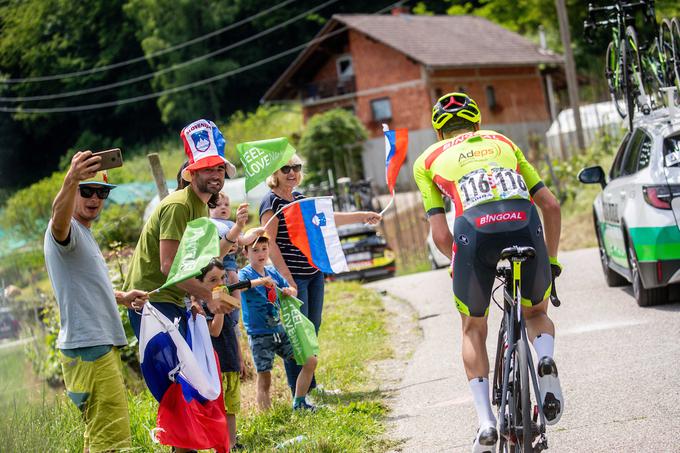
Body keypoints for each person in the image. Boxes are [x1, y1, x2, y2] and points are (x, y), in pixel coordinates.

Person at [413, 92, 564, 452]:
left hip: (474, 232)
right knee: (536, 312)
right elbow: (551, 205)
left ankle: (486, 422)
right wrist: (552, 260)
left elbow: (439, 233)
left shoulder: (427, 159)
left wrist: (459, 262)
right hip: (524, 225)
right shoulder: (504, 142)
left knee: (473, 327)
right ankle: (544, 357)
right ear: (478, 124)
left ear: (439, 133)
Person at [123, 119, 244, 453]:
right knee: (178, 388)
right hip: (152, 303)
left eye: (219, 168)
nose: (215, 175)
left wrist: (200, 295)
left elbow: (198, 264)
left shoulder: (201, 207)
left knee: (187, 387)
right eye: (206, 169)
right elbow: (168, 266)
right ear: (191, 173)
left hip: (173, 300)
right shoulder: (179, 205)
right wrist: (209, 296)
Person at [44, 151, 148, 452]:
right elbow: (57, 220)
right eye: (86, 191)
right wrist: (71, 178)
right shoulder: (65, 231)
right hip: (91, 348)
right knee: (113, 438)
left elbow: (83, 288)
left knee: (97, 436)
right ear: (72, 192)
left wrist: (121, 298)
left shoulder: (84, 233)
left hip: (90, 347)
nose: (95, 198)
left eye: (101, 192)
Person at [259, 154, 381, 394]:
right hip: (293, 278)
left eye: (296, 167)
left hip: (313, 274)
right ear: (275, 173)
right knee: (298, 334)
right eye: (286, 168)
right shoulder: (271, 202)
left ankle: (310, 389)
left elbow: (325, 220)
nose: (292, 172)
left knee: (312, 330)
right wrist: (288, 278)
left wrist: (361, 216)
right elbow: (268, 242)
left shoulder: (299, 198)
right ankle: (299, 393)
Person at [194, 258, 274, 451]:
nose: (220, 284)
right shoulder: (201, 307)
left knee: (231, 407)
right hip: (214, 367)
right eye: (213, 280)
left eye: (222, 278)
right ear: (199, 285)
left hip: (229, 361)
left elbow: (243, 285)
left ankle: (232, 443)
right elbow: (214, 331)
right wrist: (220, 306)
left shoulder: (222, 294)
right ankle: (218, 444)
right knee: (218, 408)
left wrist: (263, 281)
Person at [238, 230, 318, 411]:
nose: (261, 254)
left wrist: (290, 290)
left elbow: (291, 289)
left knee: (310, 360)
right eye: (255, 250)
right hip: (259, 335)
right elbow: (240, 288)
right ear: (245, 253)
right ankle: (267, 417)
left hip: (279, 330)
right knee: (264, 378)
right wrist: (261, 282)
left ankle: (299, 402)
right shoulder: (244, 274)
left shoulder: (272, 271)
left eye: (264, 249)